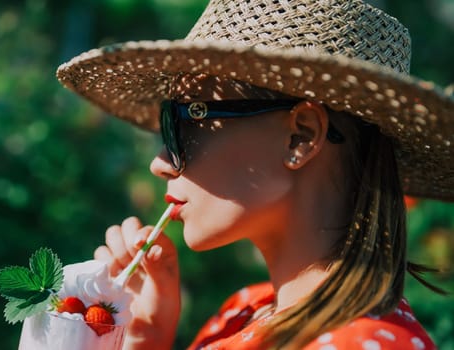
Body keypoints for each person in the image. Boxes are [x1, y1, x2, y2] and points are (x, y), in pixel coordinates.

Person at [56, 0, 453, 348]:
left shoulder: (363, 345)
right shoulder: (243, 312)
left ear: (301, 136)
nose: (159, 162)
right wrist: (148, 339)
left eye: (188, 119)